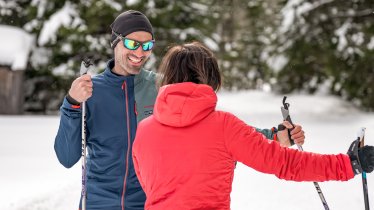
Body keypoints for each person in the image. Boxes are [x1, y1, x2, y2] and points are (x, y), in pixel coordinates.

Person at [54, 10, 304, 210]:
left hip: (151, 203)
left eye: (148, 45)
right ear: (115, 42)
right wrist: (72, 105)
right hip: (100, 203)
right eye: (132, 43)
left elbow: (214, 129)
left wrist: (273, 135)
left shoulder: (164, 87)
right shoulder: (90, 92)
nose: (140, 52)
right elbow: (67, 157)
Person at [132, 41, 374, 210]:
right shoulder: (223, 126)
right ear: (210, 78)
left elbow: (151, 184)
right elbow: (286, 163)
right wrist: (348, 164)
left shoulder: (143, 130)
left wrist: (274, 137)